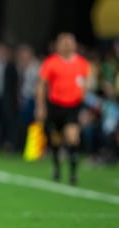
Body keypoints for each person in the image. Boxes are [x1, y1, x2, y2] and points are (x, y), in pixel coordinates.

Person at [35, 32, 90, 185]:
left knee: (73, 137)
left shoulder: (82, 63)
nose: (67, 44)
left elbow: (84, 85)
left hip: (73, 106)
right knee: (56, 139)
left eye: (69, 42)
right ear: (58, 44)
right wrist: (40, 107)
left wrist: (84, 107)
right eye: (64, 42)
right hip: (55, 105)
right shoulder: (51, 62)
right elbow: (41, 85)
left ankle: (73, 173)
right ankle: (57, 167)